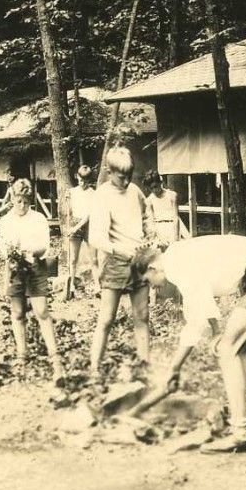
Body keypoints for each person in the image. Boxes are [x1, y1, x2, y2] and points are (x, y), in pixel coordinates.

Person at [136, 233, 246, 453]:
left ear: (153, 267)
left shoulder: (175, 266)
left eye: (148, 281)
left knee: (226, 349)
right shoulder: (178, 253)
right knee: (240, 343)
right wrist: (216, 331)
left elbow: (195, 324)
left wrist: (174, 368)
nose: (153, 288)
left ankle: (241, 433)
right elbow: (205, 303)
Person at [87, 147, 154, 384]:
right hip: (115, 261)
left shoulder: (135, 191)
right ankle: (95, 368)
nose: (126, 181)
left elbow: (147, 215)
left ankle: (144, 367)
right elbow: (96, 237)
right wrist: (119, 249)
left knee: (142, 316)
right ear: (109, 172)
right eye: (121, 176)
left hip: (139, 260)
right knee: (106, 318)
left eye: (129, 175)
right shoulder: (102, 195)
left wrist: (150, 234)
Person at [0, 178, 65, 380]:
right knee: (17, 312)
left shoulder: (38, 219)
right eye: (18, 201)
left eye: (26, 201)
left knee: (42, 310)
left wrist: (31, 251)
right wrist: (13, 254)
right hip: (15, 268)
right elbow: (2, 246)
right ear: (12, 199)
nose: (22, 206)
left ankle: (54, 355)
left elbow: (45, 244)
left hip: (35, 266)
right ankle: (22, 353)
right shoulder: (6, 221)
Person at [64, 164, 95, 297]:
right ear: (77, 177)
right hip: (75, 221)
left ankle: (98, 286)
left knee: (94, 258)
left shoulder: (92, 193)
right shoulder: (72, 192)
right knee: (73, 259)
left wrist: (76, 228)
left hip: (87, 224)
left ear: (89, 181)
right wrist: (67, 200)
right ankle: (71, 286)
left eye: (86, 181)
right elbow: (69, 211)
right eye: (81, 180)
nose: (83, 183)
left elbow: (89, 214)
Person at [145, 172, 189, 248]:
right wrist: (154, 237)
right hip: (159, 229)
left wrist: (175, 237)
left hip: (173, 227)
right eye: (151, 188)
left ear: (160, 183)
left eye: (155, 186)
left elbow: (175, 217)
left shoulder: (172, 195)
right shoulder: (149, 200)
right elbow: (151, 221)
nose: (154, 190)